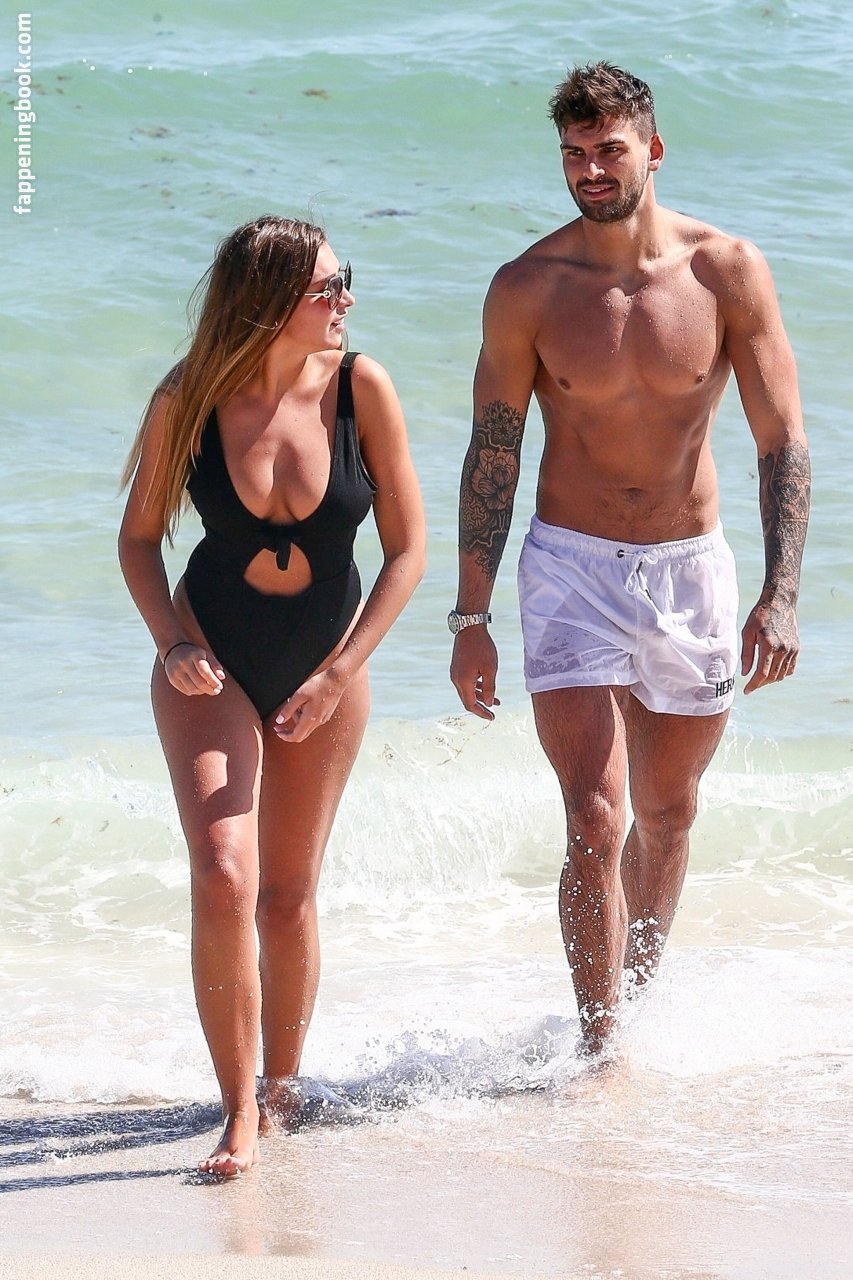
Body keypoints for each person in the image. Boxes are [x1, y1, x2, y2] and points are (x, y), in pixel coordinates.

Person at [449, 63, 809, 1055]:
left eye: (608, 149)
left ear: (652, 148)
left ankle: (637, 1003)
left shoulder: (725, 271)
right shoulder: (527, 288)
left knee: (668, 810)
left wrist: (780, 594)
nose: (590, 170)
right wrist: (470, 616)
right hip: (569, 568)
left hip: (690, 568)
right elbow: (492, 454)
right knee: (594, 819)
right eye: (573, 153)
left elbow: (780, 439)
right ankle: (600, 1044)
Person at [119, 215, 425, 1173]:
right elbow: (138, 539)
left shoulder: (361, 388)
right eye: (326, 287)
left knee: (287, 898)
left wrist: (339, 673)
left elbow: (407, 551)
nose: (345, 300)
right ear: (267, 301)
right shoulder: (188, 399)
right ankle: (239, 1111)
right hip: (209, 653)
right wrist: (171, 643)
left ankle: (284, 1091)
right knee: (224, 873)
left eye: (344, 280)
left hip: (325, 661)